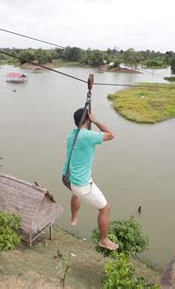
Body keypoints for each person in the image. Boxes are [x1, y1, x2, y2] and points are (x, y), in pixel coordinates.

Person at [62, 108, 118, 251]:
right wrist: (96, 121)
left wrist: (88, 121)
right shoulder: (87, 136)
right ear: (87, 120)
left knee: (76, 193)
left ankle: (73, 217)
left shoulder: (72, 135)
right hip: (81, 184)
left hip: (69, 178)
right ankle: (104, 240)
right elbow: (111, 135)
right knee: (105, 209)